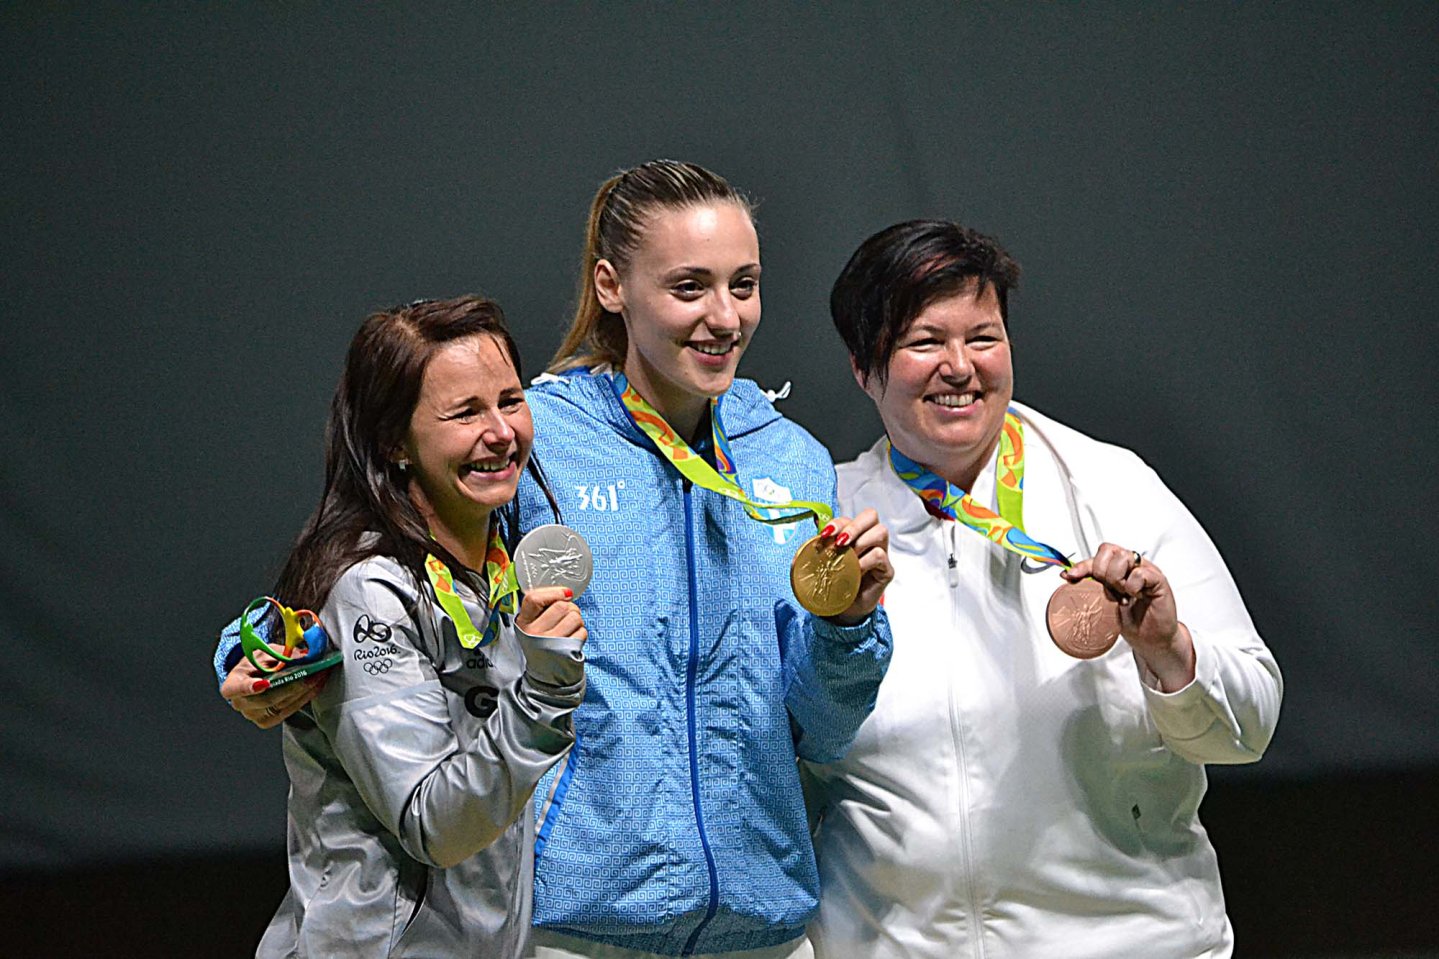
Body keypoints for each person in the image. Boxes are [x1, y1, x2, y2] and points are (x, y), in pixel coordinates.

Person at [218, 161, 895, 959]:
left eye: (742, 284)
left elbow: (818, 731)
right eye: (688, 287)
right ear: (612, 285)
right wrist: (261, 653)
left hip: (762, 928)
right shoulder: (532, 438)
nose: (725, 316)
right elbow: (383, 558)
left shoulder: (792, 460)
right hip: (573, 923)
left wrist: (848, 628)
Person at [803, 219, 1283, 959]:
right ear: (863, 367)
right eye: (924, 341)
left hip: (1128, 942)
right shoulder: (826, 528)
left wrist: (1167, 650)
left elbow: (1246, 727)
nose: (959, 366)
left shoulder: (1110, 487)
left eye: (983, 337)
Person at [227, 295, 588, 957]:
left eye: (509, 400)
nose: (501, 432)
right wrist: (542, 693)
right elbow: (436, 825)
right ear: (393, 440)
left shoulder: (498, 566)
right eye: (465, 412)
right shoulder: (370, 589)